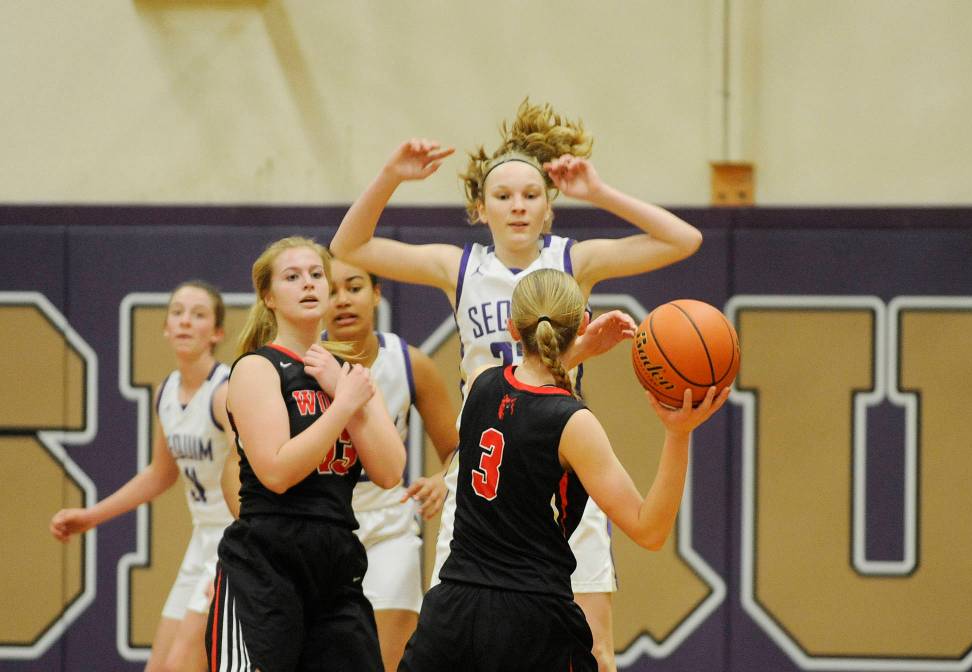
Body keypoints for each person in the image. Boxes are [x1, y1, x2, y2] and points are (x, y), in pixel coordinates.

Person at [331, 99, 704, 670]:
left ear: (549, 208)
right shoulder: (457, 266)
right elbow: (349, 249)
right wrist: (389, 177)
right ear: (480, 207)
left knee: (594, 648)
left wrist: (600, 193)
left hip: (556, 462)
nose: (518, 206)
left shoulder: (574, 259)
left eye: (531, 195)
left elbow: (683, 240)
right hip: (486, 472)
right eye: (503, 196)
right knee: (459, 640)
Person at [399, 268, 730, 671]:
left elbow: (527, 391)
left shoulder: (482, 386)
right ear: (583, 323)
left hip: (450, 611)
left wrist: (576, 349)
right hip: (528, 618)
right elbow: (650, 529)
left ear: (510, 327)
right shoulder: (572, 423)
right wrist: (679, 434)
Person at [220, 257, 460, 672]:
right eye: (293, 278)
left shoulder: (350, 374)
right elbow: (276, 473)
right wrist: (343, 406)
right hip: (271, 555)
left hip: (337, 552)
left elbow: (389, 471)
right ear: (269, 296)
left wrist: (344, 392)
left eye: (317, 276)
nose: (309, 285)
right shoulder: (258, 367)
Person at [50, 280, 235, 672]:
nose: (186, 321)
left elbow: (257, 476)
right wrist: (90, 516)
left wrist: (246, 556)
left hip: (234, 542)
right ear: (166, 327)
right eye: (178, 312)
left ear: (216, 332)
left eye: (199, 315)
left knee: (186, 664)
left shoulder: (225, 393)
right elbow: (159, 474)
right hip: (201, 542)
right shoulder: (167, 391)